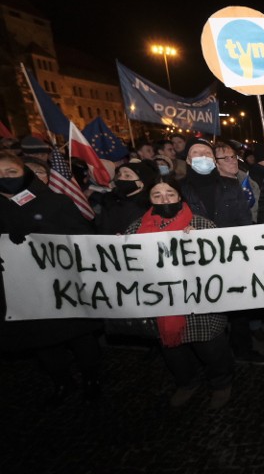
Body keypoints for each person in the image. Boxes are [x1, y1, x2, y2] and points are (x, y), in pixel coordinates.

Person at [0, 150, 103, 406]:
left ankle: (92, 378)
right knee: (41, 340)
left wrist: (42, 234)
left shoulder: (56, 202)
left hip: (62, 283)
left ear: (24, 174)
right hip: (21, 289)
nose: (5, 177)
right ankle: (61, 381)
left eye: (11, 172)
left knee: (79, 336)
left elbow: (81, 237)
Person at [125, 175, 235, 410]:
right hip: (163, 306)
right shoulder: (136, 229)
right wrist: (118, 249)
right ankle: (186, 383)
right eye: (157, 195)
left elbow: (223, 264)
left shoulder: (202, 225)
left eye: (170, 194)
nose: (164, 199)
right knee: (174, 353)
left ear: (179, 196)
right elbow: (128, 270)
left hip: (200, 305)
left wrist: (203, 243)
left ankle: (221, 384)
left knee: (212, 350)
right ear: (150, 200)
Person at [181, 138, 264, 366]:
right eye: (196, 153)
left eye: (207, 153)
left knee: (238, 310)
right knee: (204, 310)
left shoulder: (230, 186)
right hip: (196, 261)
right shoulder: (179, 190)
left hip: (231, 257)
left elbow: (244, 220)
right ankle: (214, 359)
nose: (203, 157)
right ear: (188, 160)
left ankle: (242, 350)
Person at [96, 161, 157, 235]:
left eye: (127, 176)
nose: (121, 178)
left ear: (141, 183)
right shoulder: (110, 200)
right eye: (119, 175)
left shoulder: (148, 208)